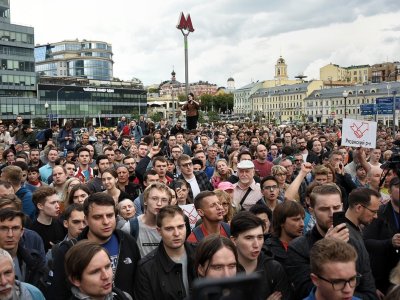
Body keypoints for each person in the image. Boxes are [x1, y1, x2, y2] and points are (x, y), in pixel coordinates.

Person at [285, 184, 377, 300]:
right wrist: (326, 247)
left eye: (336, 207)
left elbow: (370, 293)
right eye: (324, 209)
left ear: (342, 207)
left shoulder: (355, 242)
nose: (331, 214)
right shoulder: (298, 247)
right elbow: (305, 291)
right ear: (312, 211)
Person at [49, 192, 141, 299]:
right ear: (86, 219)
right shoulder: (68, 250)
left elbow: (138, 284)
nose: (106, 222)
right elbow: (58, 293)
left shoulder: (127, 241)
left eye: (110, 215)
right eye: (98, 217)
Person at [134, 206, 196, 300]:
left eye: (180, 227)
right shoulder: (146, 268)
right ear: (159, 231)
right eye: (169, 229)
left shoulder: (201, 253)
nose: (176, 233)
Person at [230, 211, 292, 299]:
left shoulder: (274, 269)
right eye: (249, 238)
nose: (256, 244)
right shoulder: (225, 271)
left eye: (260, 237)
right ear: (234, 240)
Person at [364, 177, 400, 294]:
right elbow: (366, 242)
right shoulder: (378, 213)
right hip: (384, 278)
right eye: (398, 187)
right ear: (389, 191)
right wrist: (390, 242)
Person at [0, 209, 48, 293]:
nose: (10, 235)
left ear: (22, 232)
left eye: (15, 228)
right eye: (4, 228)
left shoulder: (34, 260)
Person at [65, 240, 131, 300]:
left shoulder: (120, 296)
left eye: (107, 266)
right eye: (95, 272)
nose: (106, 276)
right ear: (76, 280)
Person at [122, 182, 172, 256]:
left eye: (164, 200)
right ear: (145, 200)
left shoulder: (174, 227)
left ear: (169, 203)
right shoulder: (130, 227)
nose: (159, 203)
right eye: (154, 199)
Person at [30, 186, 65, 252]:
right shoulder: (32, 231)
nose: (58, 206)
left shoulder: (61, 223)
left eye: (57, 202)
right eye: (53, 203)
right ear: (40, 206)